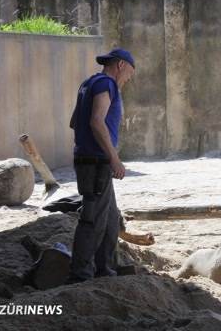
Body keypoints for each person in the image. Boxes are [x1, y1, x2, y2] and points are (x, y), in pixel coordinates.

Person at [67, 48, 135, 283]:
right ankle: (81, 275)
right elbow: (96, 122)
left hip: (90, 160)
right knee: (93, 218)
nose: (128, 79)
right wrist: (113, 157)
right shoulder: (106, 84)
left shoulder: (88, 83)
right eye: (129, 74)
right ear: (121, 65)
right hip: (96, 162)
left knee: (110, 218)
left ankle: (105, 269)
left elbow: (75, 122)